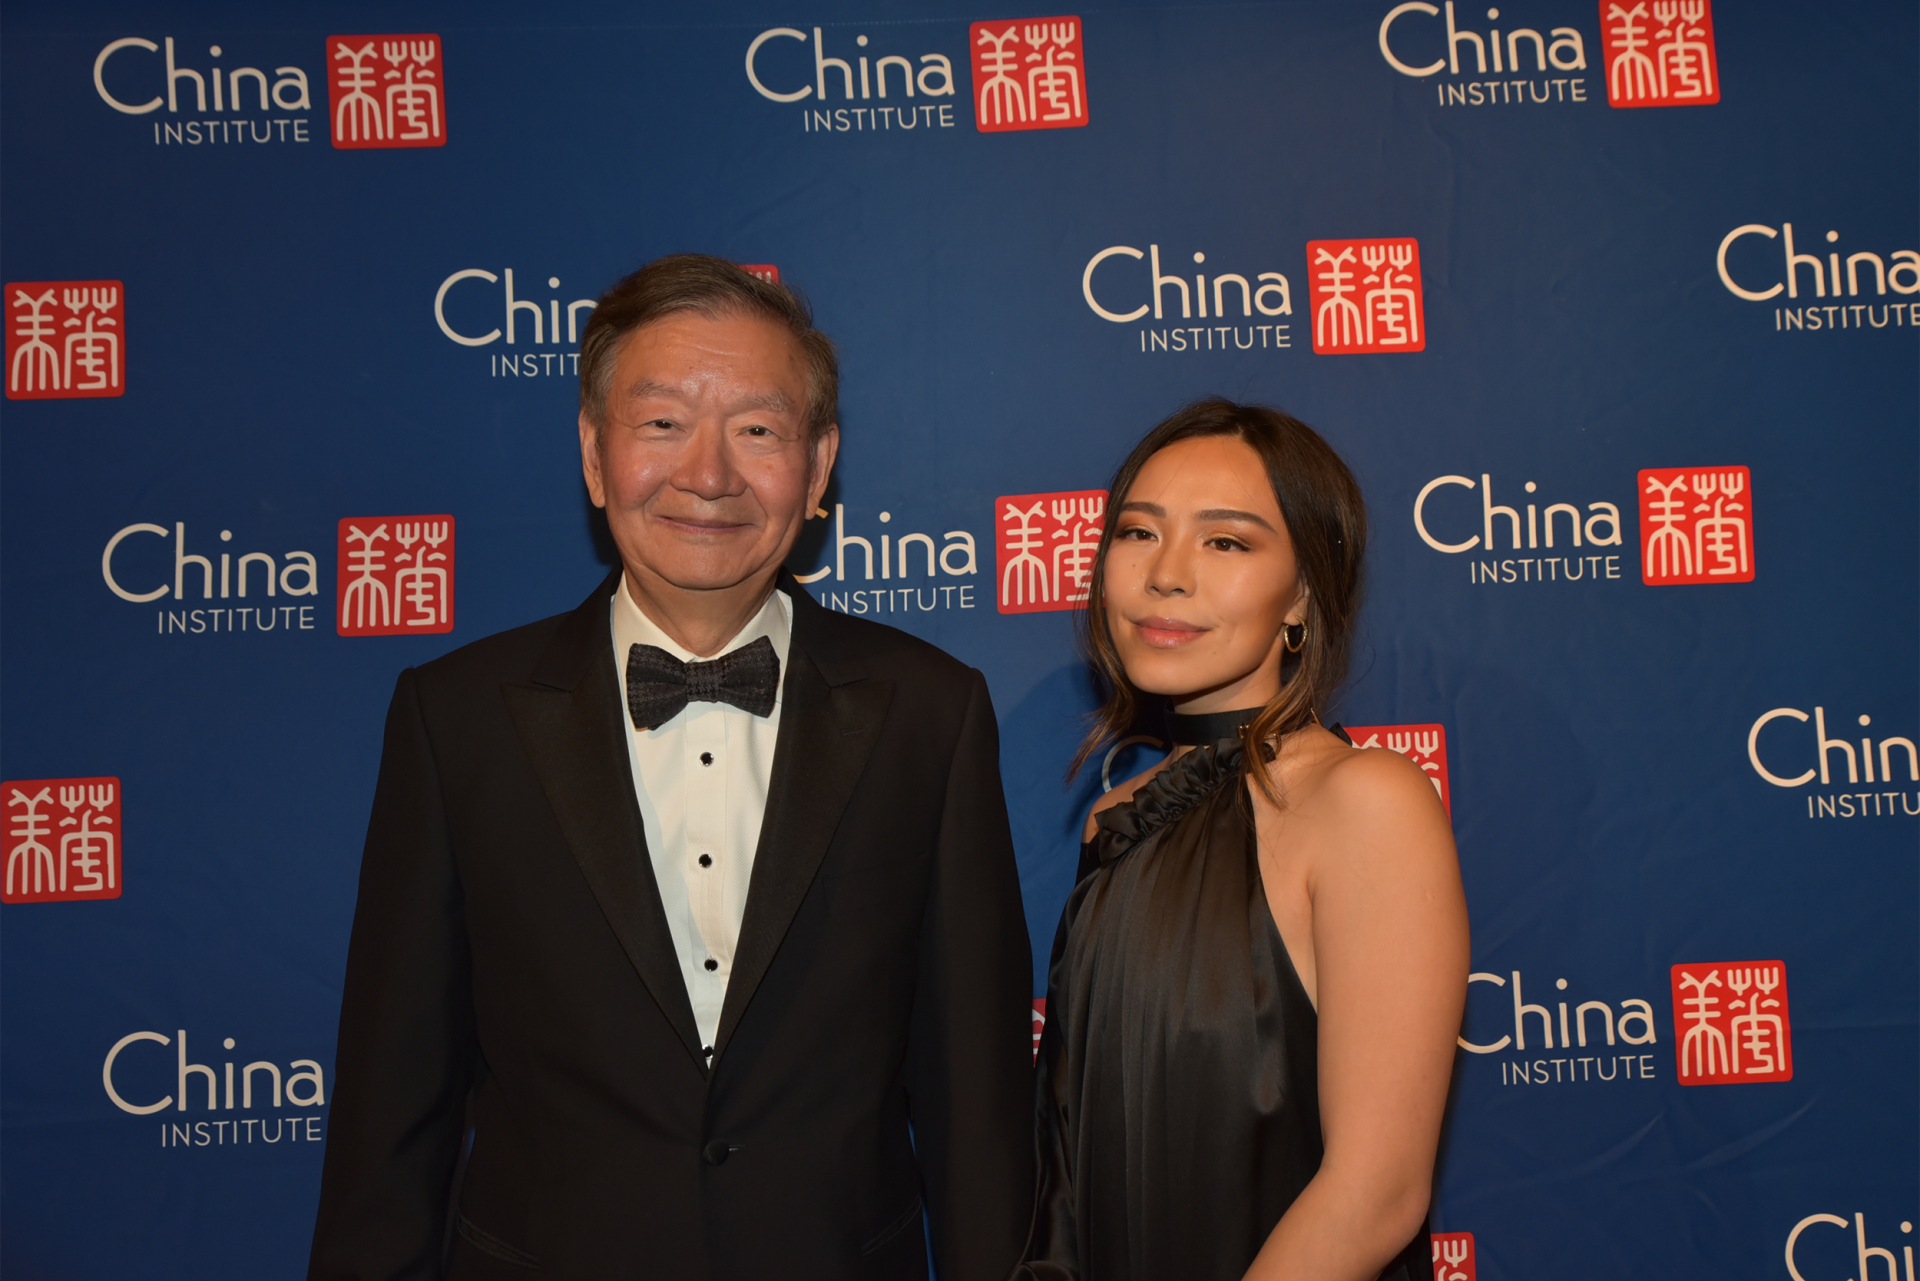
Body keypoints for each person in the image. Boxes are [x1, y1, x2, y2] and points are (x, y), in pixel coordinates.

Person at [308, 255, 1033, 1281]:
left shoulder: (931, 712)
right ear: (594, 455)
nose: (709, 473)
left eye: (758, 430)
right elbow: (393, 1107)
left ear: (818, 466)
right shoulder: (456, 717)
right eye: (662, 422)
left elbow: (977, 1106)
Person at [1019, 399, 1469, 1281]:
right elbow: (1069, 1173)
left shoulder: (1365, 802)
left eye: (1225, 542)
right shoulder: (1121, 818)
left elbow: (1376, 1191)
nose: (1166, 574)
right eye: (1138, 533)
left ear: (1303, 592)